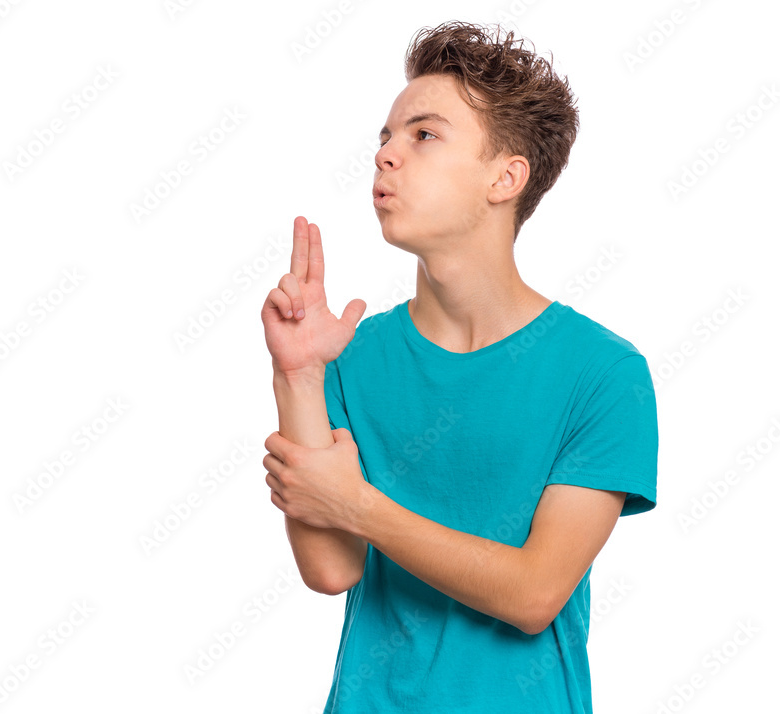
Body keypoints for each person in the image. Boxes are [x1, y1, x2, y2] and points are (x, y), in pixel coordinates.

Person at [260, 20, 659, 713]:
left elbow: (534, 594)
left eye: (424, 135)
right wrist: (296, 375)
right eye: (386, 136)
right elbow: (330, 568)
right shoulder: (350, 354)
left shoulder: (603, 373)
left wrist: (357, 504)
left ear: (506, 177)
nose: (386, 155)